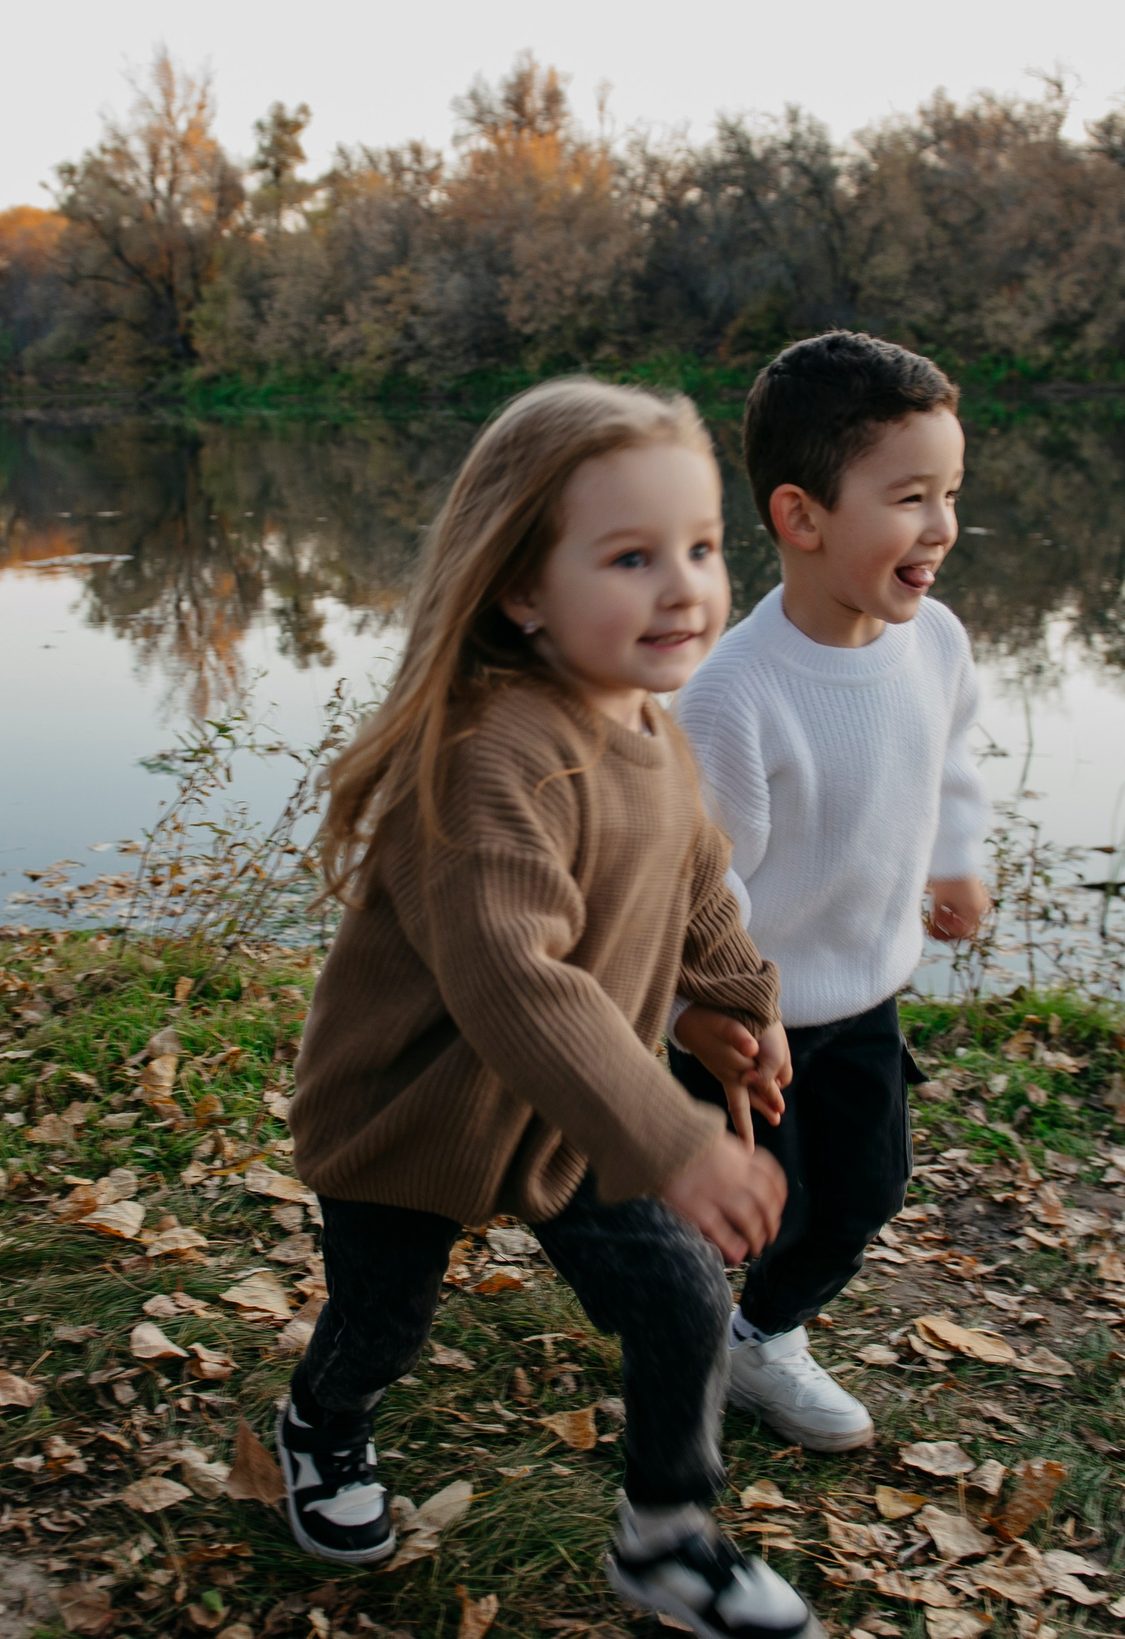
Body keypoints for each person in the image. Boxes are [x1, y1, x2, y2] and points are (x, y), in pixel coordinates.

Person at [278, 378, 826, 1639]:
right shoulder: (484, 761)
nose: (683, 586)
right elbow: (515, 981)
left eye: (698, 548)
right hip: (414, 1118)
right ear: (522, 588)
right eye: (630, 557)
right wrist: (680, 1140)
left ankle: (670, 1538)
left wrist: (731, 998)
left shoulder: (650, 722)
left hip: (573, 1119)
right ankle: (322, 1426)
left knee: (683, 1293)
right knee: (383, 1325)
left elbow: (693, 876)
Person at [669, 330, 991, 1455]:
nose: (942, 527)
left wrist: (954, 855)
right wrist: (698, 1014)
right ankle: (679, 1362)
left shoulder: (934, 642)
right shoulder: (733, 697)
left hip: (859, 1005)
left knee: (860, 1194)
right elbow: (683, 889)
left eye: (950, 493)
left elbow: (950, 757)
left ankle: (763, 1340)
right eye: (909, 498)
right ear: (802, 518)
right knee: (722, 1220)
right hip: (738, 1027)